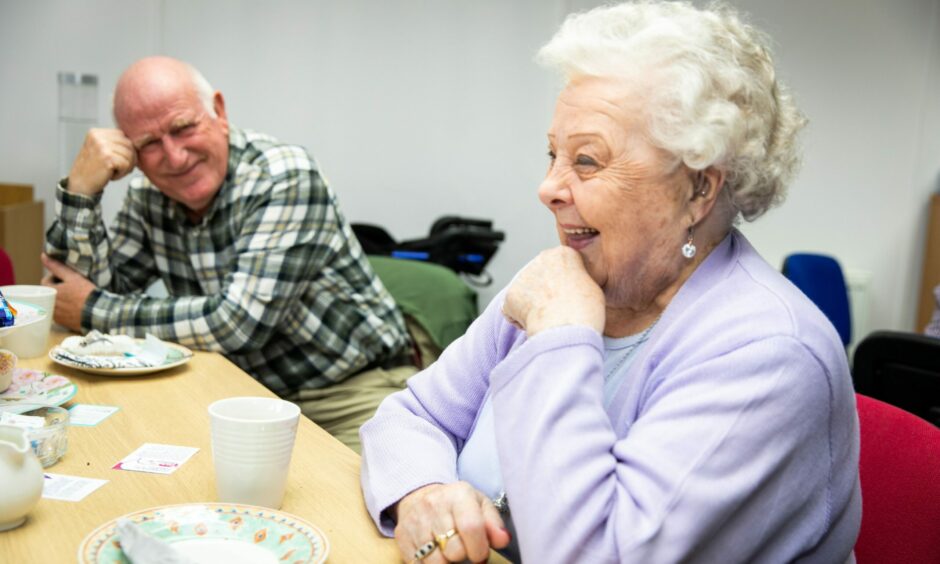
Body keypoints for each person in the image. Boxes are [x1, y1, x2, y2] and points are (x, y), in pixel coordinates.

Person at [359, 2, 861, 562]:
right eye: (553, 154)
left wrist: (559, 338)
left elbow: (595, 552)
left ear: (698, 190)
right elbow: (409, 417)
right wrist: (423, 492)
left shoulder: (769, 355)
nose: (548, 187)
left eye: (587, 161)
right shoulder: (562, 283)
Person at [43, 56, 414, 452]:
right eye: (148, 144)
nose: (175, 157)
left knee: (366, 507)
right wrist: (81, 193)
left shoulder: (285, 176)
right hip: (233, 389)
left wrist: (92, 309)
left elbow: (236, 323)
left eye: (183, 127)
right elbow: (70, 293)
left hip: (349, 391)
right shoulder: (148, 195)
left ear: (218, 111)